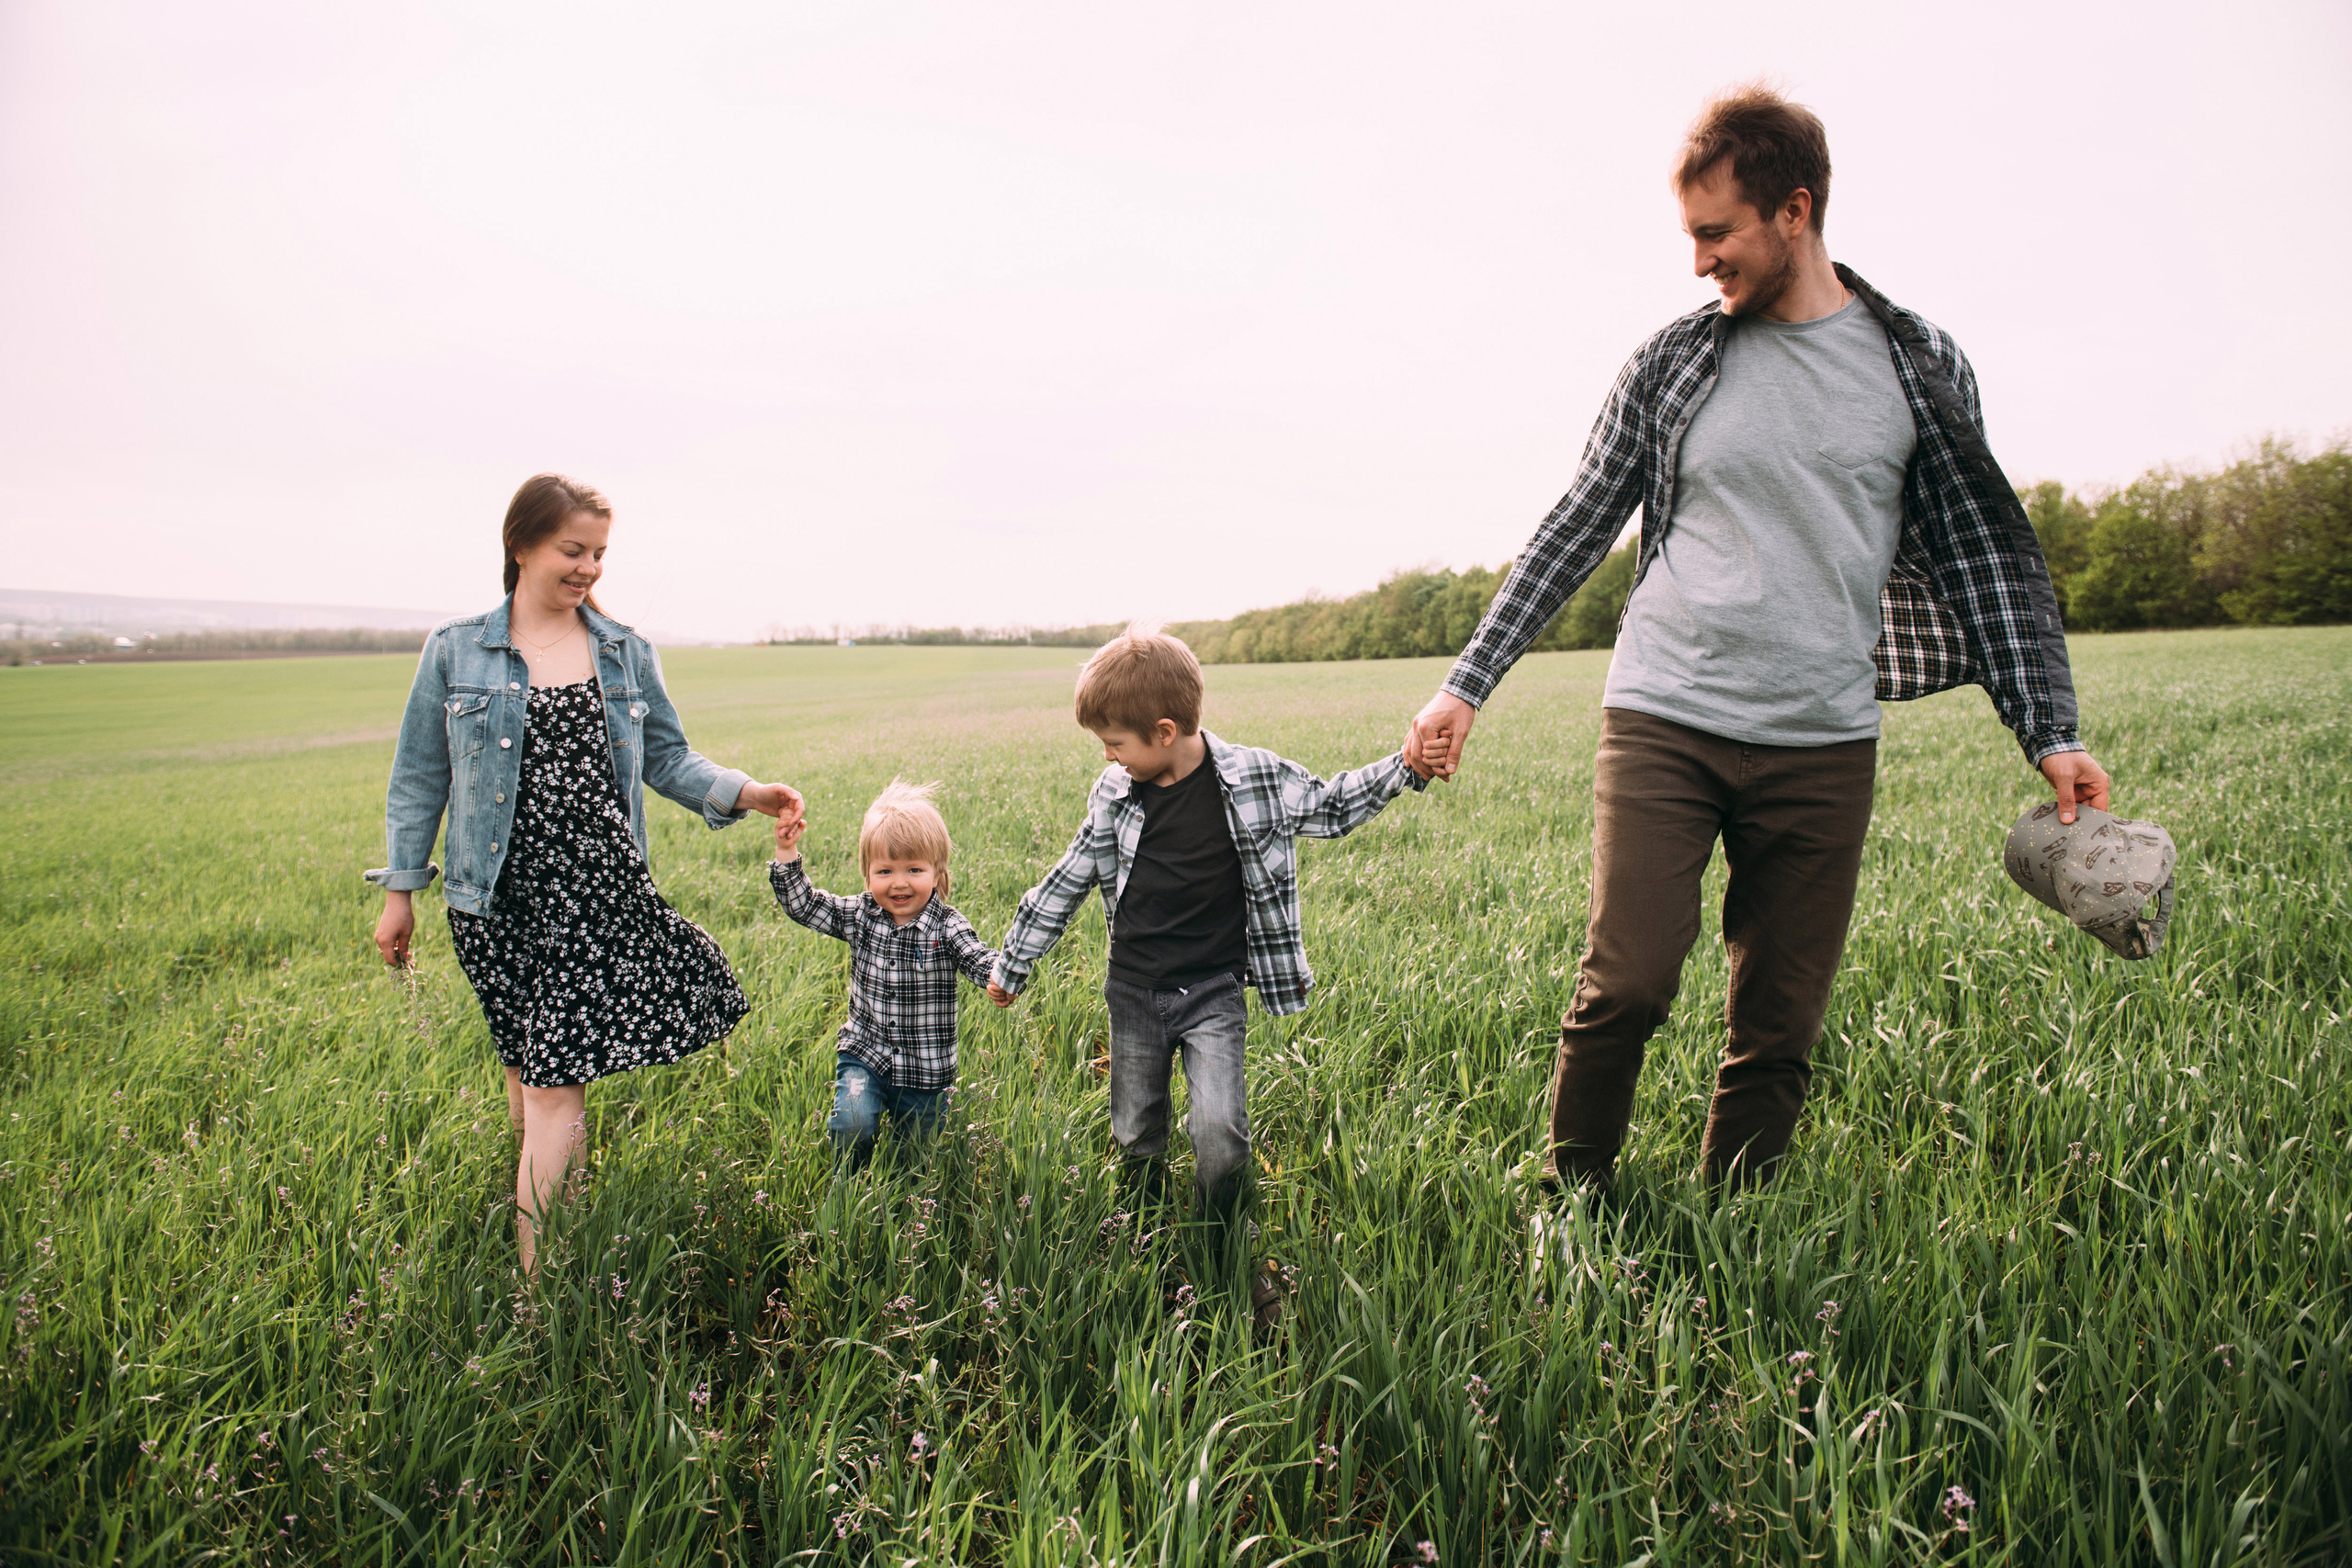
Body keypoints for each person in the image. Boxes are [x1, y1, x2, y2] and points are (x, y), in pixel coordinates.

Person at [1404, 86, 2114, 1193]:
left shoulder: (1919, 366)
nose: (1697, 263)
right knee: (1627, 980)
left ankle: (1736, 1224)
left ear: (1794, 211)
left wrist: (2049, 730)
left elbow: (1983, 555)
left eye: (1714, 233)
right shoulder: (1675, 364)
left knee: (1778, 1014)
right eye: (1690, 236)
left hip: (1822, 736)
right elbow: (1577, 522)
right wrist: (1466, 685)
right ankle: (1572, 1194)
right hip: (1665, 716)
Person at [368, 473, 802, 1272]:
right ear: (521, 544)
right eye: (573, 549)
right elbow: (419, 778)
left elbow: (667, 756)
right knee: (529, 1069)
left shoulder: (624, 651)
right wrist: (402, 895)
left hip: (595, 895)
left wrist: (745, 791)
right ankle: (554, 1210)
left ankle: (539, 1285)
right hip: (489, 899)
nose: (588, 568)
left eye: (599, 553)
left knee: (553, 1086)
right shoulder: (456, 649)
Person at [987, 626, 1431, 1323]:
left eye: (1115, 742)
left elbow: (1335, 804)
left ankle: (1225, 1248)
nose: (1106, 755)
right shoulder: (1113, 794)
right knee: (1137, 1128)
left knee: (1220, 1130)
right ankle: (1139, 1236)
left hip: (1213, 994)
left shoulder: (1254, 777)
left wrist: (1406, 766)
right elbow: (1069, 878)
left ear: (1164, 731)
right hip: (1133, 991)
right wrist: (1015, 960)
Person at [769, 780, 999, 1170]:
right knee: (853, 1123)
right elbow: (804, 906)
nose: (899, 883)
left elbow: (977, 958)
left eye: (914, 869)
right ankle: (847, 1185)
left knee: (915, 1160)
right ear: (867, 872)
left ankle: (903, 1209)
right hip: (865, 1053)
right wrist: (787, 849)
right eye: (885, 870)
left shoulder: (947, 926)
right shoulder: (859, 915)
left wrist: (1002, 976)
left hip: (925, 1069)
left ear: (937, 870)